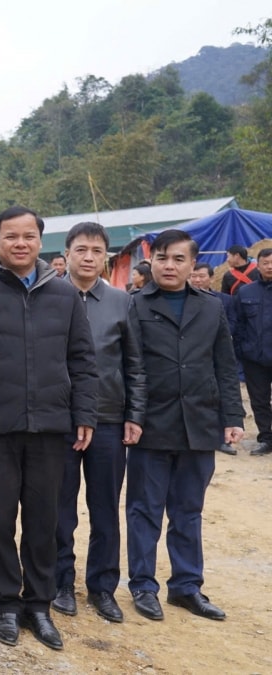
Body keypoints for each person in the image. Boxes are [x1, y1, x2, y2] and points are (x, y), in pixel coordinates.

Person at [0, 205, 98, 651]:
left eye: (29, 236)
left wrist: (84, 414)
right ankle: (7, 604)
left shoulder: (65, 296)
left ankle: (39, 605)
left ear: (40, 242)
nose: (20, 243)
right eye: (10, 236)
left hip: (52, 426)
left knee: (44, 521)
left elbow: (83, 361)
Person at [127, 229, 244, 622]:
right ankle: (143, 585)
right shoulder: (135, 305)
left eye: (178, 259)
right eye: (162, 258)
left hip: (199, 423)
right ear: (152, 262)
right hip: (150, 425)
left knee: (188, 510)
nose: (169, 265)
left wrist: (232, 418)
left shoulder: (211, 308)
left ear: (194, 265)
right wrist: (132, 416)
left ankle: (186, 586)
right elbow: (130, 367)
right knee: (145, 510)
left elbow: (225, 367)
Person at [51, 222, 146, 624]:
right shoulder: (49, 296)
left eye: (96, 250)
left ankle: (103, 588)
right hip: (59, 421)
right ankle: (58, 583)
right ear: (67, 253)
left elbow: (135, 364)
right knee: (59, 509)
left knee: (105, 508)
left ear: (105, 256)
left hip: (108, 420)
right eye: (81, 249)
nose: (88, 257)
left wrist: (134, 415)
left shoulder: (122, 302)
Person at [192, 262, 240, 456]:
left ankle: (223, 438)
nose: (197, 280)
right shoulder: (187, 301)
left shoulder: (223, 301)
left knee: (221, 395)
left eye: (201, 276)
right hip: (197, 357)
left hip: (219, 353)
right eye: (194, 276)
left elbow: (235, 322)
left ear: (211, 278)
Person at [234, 248, 272, 457]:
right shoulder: (246, 292)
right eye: (265, 262)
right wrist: (242, 350)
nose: (270, 266)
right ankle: (266, 438)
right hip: (255, 359)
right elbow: (238, 324)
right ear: (257, 265)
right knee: (259, 400)